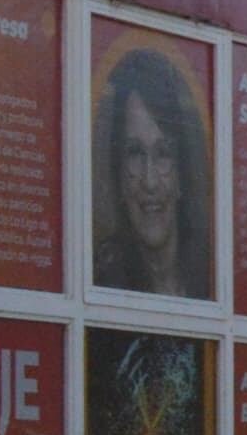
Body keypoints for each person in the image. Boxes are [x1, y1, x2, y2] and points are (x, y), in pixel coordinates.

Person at [91, 46, 212, 298]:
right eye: (135, 153)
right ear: (119, 175)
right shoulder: (102, 279)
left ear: (181, 174)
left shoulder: (211, 274)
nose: (150, 181)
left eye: (163, 154)